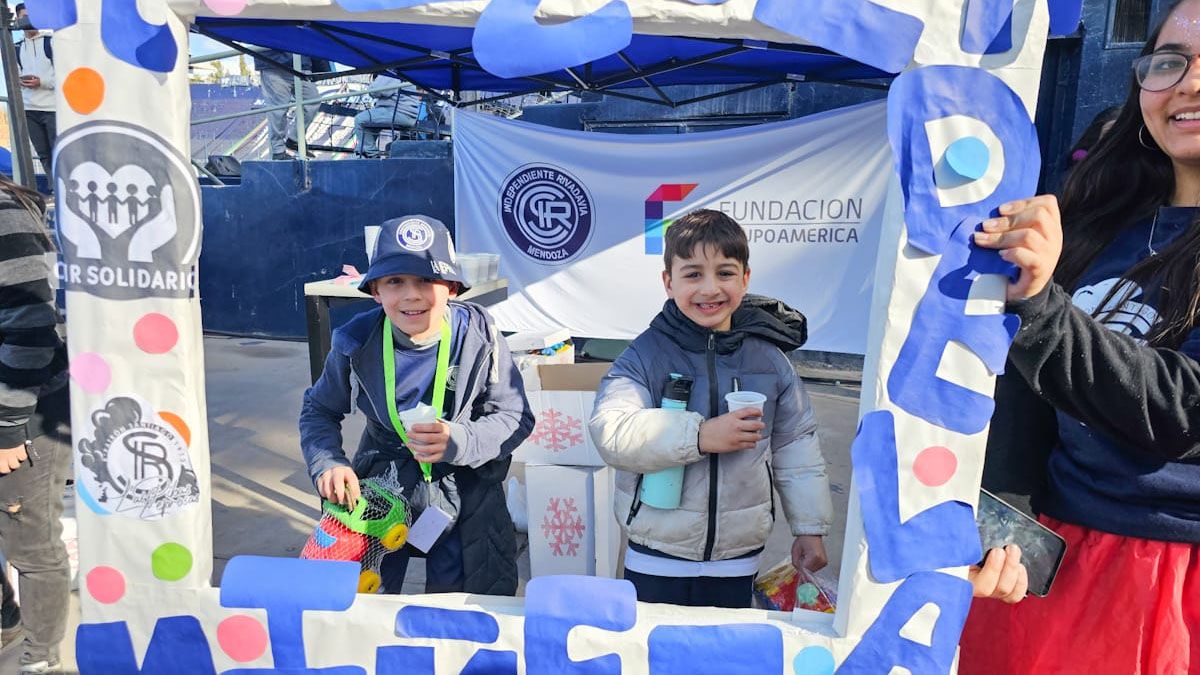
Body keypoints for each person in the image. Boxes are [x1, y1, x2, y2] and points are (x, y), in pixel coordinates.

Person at [960, 1, 1200, 670]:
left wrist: (1042, 307)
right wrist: (1003, 518)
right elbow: (1025, 392)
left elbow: (1184, 410)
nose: (1191, 83)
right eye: (1171, 61)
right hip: (1049, 560)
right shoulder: (1099, 221)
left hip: (1168, 583)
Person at [589, 209, 832, 608]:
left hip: (738, 557)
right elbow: (611, 431)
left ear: (745, 279)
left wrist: (809, 526)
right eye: (693, 274)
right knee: (654, 646)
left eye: (725, 273)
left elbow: (797, 446)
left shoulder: (770, 361)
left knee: (727, 645)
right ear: (668, 282)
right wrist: (700, 436)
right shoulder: (644, 356)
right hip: (656, 552)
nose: (709, 288)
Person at [299, 215, 533, 595]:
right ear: (375, 291)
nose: (412, 295)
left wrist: (462, 440)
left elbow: (515, 415)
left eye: (426, 280)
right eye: (395, 281)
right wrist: (329, 462)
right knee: (361, 597)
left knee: (458, 606)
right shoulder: (355, 342)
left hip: (463, 482)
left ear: (452, 288)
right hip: (382, 485)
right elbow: (319, 410)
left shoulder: (480, 335)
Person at [0, 175, 70, 674]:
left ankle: (40, 661)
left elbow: (31, 329)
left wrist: (7, 427)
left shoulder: (5, 213)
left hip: (24, 411)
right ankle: (7, 619)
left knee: (31, 545)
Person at [255, 50, 322, 161]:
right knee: (278, 110)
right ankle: (278, 151)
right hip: (273, 63)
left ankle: (294, 139)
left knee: (313, 100)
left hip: (302, 64)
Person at [14, 3, 56, 180]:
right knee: (43, 154)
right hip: (30, 109)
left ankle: (65, 188)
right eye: (24, 16)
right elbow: (14, 75)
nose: (29, 20)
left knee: (58, 152)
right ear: (17, 19)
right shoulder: (16, 48)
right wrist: (19, 82)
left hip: (52, 108)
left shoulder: (50, 42)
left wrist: (42, 82)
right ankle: (54, 188)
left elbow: (64, 75)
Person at [353, 74, 421, 158]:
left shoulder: (390, 72)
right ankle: (364, 152)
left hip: (398, 113)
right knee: (369, 127)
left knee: (359, 119)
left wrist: (372, 85)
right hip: (407, 115)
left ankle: (372, 155)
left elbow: (376, 91)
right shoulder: (402, 73)